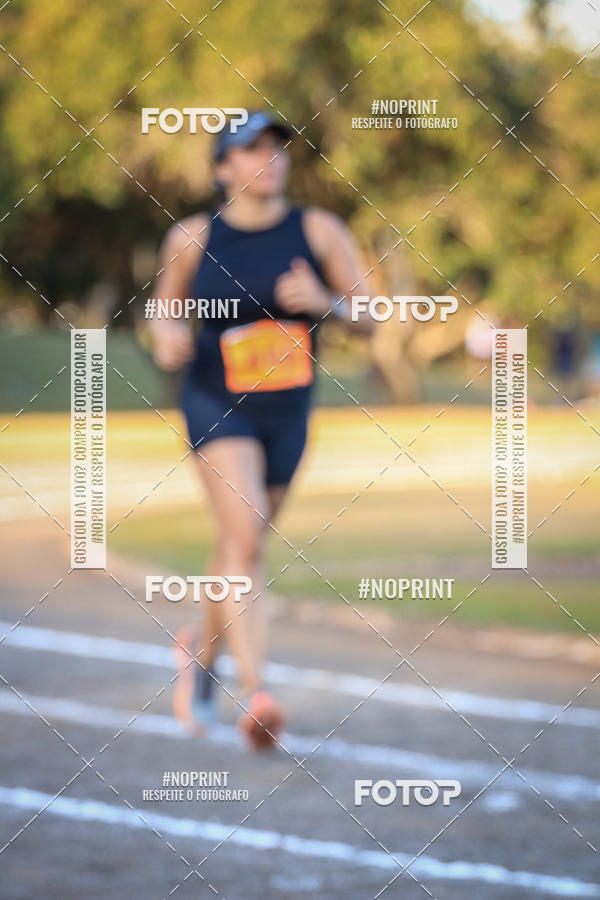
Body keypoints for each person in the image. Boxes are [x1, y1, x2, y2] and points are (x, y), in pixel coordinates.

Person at [151, 110, 374, 749]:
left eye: (277, 147)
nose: (269, 159)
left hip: (288, 411)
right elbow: (165, 311)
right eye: (251, 149)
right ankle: (257, 693)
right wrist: (166, 335)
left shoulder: (319, 229)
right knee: (246, 536)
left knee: (237, 546)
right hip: (217, 401)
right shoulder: (193, 236)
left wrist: (326, 304)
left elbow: (371, 316)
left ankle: (200, 655)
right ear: (223, 168)